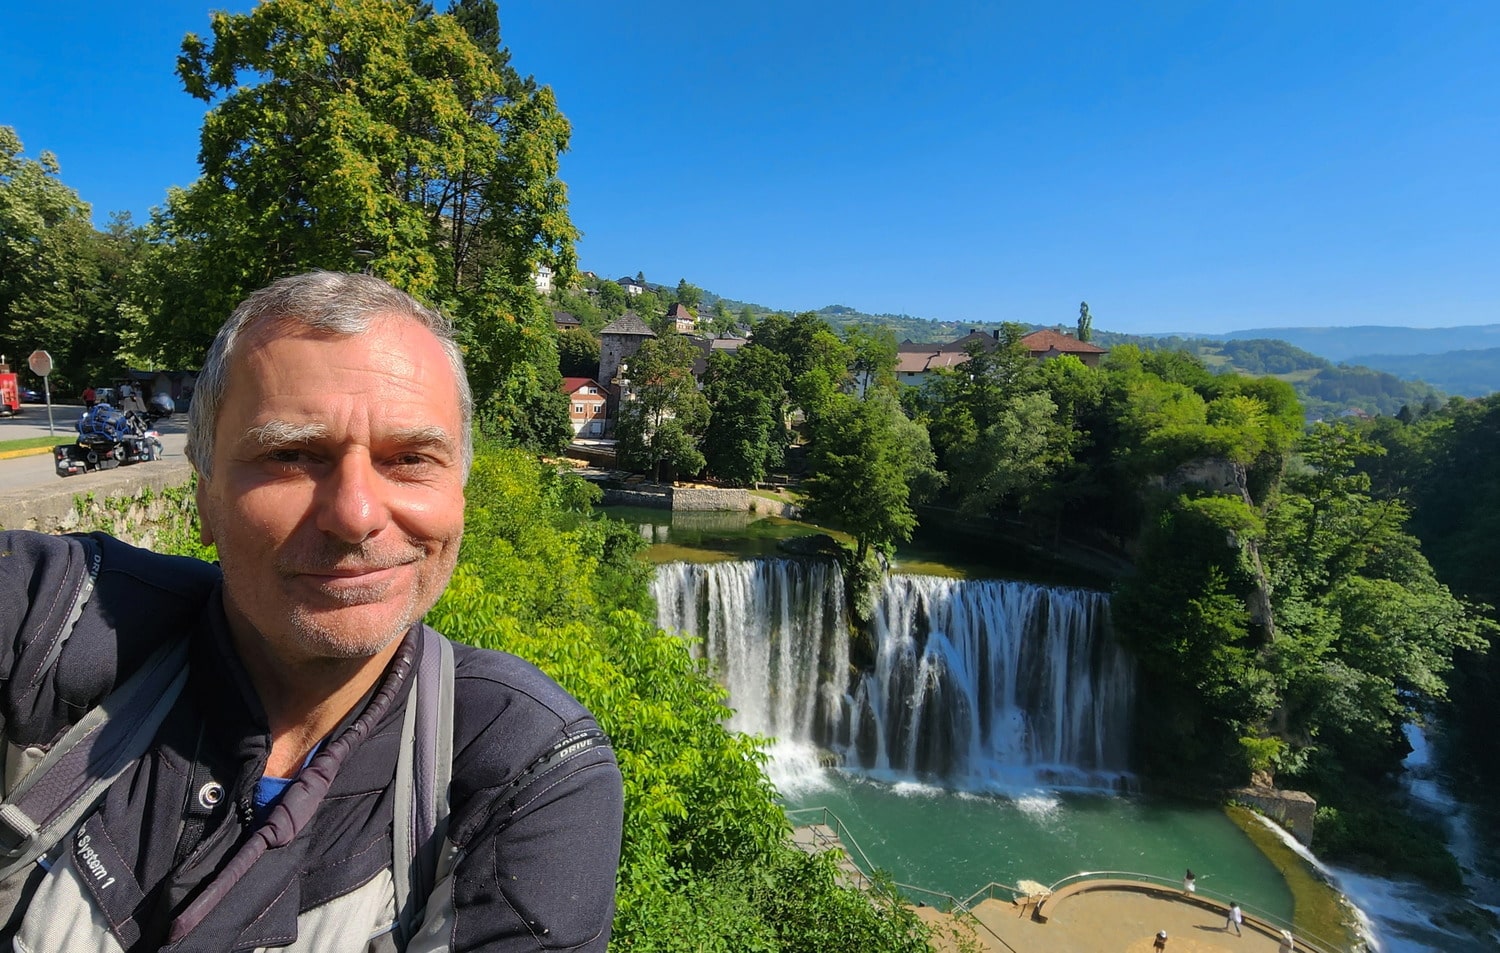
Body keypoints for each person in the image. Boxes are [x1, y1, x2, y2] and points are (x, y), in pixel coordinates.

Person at [0, 271, 624, 950]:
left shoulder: (524, 768)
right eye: (292, 454)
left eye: (411, 458)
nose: (355, 515)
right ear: (205, 500)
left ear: (461, 500)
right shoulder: (54, 618)